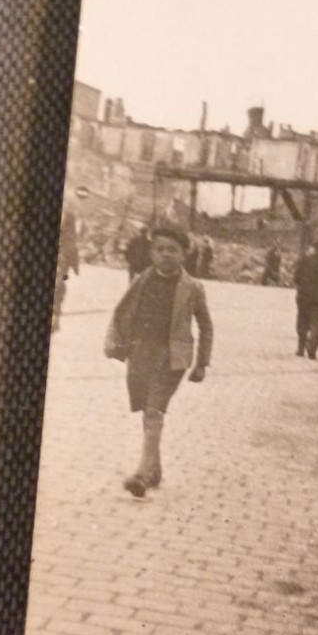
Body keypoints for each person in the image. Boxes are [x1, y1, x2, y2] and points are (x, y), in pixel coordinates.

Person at [103, 225, 212, 499]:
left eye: (172, 250)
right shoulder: (142, 279)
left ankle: (141, 474)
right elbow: (122, 310)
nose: (166, 255)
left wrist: (201, 363)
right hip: (140, 354)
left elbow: (206, 326)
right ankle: (155, 469)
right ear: (152, 253)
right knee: (147, 410)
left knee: (154, 410)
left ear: (184, 254)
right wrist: (116, 343)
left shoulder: (193, 288)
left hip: (171, 358)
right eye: (160, 249)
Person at [52, 207, 80, 333]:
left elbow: (74, 254)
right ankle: (55, 321)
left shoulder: (68, 239)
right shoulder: (70, 239)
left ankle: (55, 321)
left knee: (58, 293)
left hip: (61, 272)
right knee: (59, 293)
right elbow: (74, 255)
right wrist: (75, 267)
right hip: (62, 273)